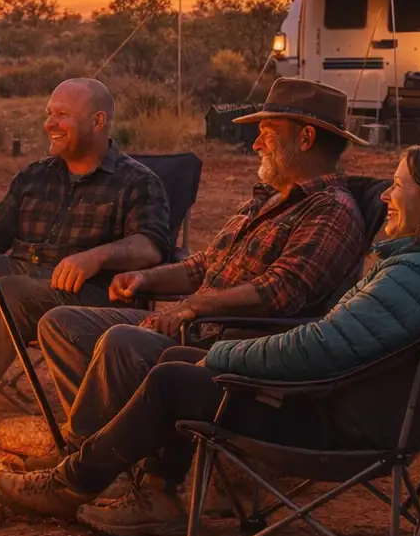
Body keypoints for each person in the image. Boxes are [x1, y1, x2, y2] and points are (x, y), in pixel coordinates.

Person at [0, 142, 420, 536]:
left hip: (335, 423)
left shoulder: (412, 279)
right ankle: (149, 491)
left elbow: (317, 348)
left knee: (174, 375)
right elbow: (336, 342)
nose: (386, 196)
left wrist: (222, 357)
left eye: (398, 186)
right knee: (174, 360)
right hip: (362, 411)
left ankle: (71, 485)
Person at [32, 77, 369, 459]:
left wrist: (193, 307)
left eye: (267, 133)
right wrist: (145, 277)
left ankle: (85, 458)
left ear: (305, 139)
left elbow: (280, 292)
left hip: (237, 347)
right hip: (198, 329)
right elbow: (205, 265)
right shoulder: (269, 199)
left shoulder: (330, 210)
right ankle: (117, 446)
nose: (256, 144)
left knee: (123, 341)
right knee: (61, 323)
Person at [0, 77, 172, 427]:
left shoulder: (137, 181)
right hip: (18, 276)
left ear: (97, 121)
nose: (49, 124)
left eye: (62, 114)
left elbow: (151, 246)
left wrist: (95, 257)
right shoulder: (34, 176)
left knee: (7, 294)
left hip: (82, 296)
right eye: (49, 113)